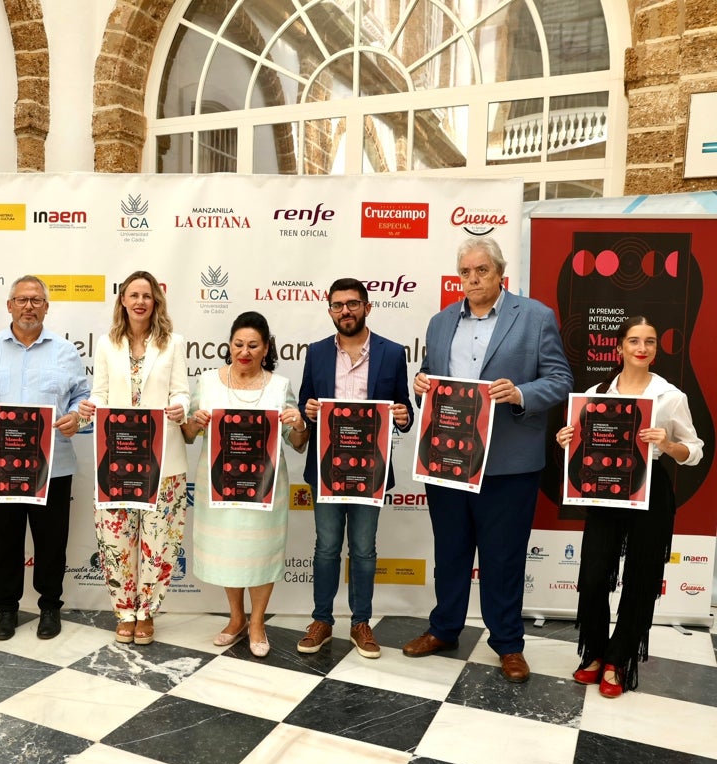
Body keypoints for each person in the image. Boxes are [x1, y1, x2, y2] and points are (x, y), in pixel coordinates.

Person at [402, 237, 572, 683]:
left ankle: (508, 645)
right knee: (452, 552)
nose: (473, 279)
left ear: (500, 274)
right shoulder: (441, 322)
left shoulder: (535, 317)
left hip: (509, 464)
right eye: (465, 272)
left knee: (503, 558)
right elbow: (431, 373)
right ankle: (444, 629)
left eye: (482, 271)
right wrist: (421, 384)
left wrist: (520, 394)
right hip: (447, 460)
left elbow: (560, 379)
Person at [556, 316, 703, 697]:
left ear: (656, 349)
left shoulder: (670, 397)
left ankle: (617, 661)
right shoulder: (597, 391)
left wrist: (667, 444)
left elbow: (695, 451)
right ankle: (593, 653)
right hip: (606, 494)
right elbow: (585, 449)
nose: (642, 348)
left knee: (640, 582)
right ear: (619, 347)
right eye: (634, 341)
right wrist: (568, 437)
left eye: (650, 342)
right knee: (592, 579)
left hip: (651, 494)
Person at [0, 276, 90, 642]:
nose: (28, 306)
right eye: (21, 300)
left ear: (47, 307)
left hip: (53, 467)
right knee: (4, 542)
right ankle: (7, 609)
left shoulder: (65, 351)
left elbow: (84, 396)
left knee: (51, 542)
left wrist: (77, 416)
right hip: (0, 467)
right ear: (9, 305)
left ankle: (49, 607)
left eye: (36, 300)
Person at [296, 277, 413, 658]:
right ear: (330, 310)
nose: (345, 310)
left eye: (352, 303)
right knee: (326, 548)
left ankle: (361, 622)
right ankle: (322, 621)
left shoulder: (393, 353)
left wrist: (402, 416)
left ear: (367, 306)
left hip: (370, 473)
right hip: (326, 470)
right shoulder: (314, 353)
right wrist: (308, 412)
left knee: (364, 550)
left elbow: (405, 412)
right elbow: (303, 407)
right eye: (337, 305)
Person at [182, 311, 307, 657]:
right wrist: (194, 421)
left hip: (263, 490)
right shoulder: (207, 381)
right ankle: (236, 618)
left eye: (253, 345)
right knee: (229, 552)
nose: (245, 351)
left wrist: (297, 423)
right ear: (229, 345)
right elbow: (190, 435)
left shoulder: (280, 386)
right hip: (219, 488)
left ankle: (257, 622)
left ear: (266, 348)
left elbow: (297, 441)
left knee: (260, 553)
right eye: (238, 344)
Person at [77, 270, 188, 645]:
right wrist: (91, 407)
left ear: (156, 301)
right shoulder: (107, 344)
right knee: (117, 538)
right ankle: (125, 611)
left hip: (164, 462)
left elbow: (182, 393)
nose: (140, 301)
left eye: (147, 295)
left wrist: (179, 409)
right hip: (116, 461)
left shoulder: (173, 343)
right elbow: (100, 393)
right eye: (133, 295)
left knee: (159, 543)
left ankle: (147, 612)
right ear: (122, 300)